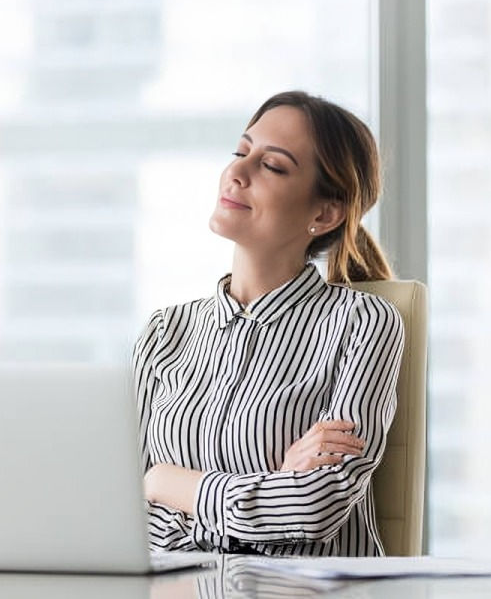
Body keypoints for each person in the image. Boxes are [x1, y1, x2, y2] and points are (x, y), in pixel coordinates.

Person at [134, 90, 405, 557]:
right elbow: (123, 507)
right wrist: (273, 484)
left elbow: (313, 509)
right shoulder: (166, 331)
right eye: (241, 152)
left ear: (324, 213)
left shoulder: (364, 323)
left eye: (272, 166)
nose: (237, 173)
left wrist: (165, 481)